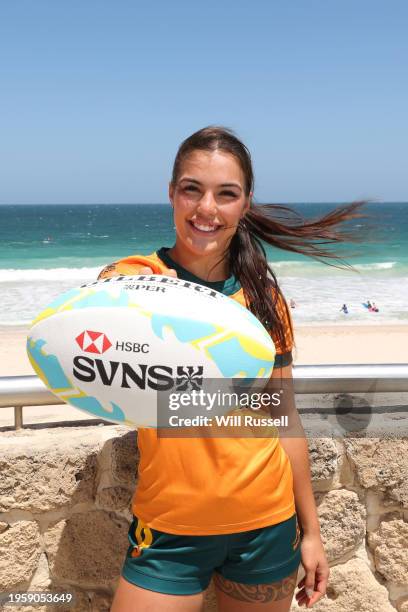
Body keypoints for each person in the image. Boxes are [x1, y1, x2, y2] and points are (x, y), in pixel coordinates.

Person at [99, 126, 365, 611]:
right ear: (171, 194)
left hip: (265, 525)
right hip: (168, 528)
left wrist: (311, 532)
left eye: (226, 194)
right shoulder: (134, 280)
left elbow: (283, 417)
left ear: (245, 204)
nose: (207, 209)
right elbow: (93, 343)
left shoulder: (264, 298)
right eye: (192, 189)